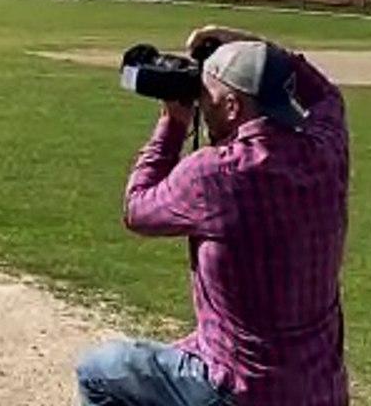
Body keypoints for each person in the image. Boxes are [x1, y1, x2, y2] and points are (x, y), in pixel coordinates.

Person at [76, 25, 350, 406]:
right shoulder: (326, 149)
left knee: (99, 371)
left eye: (207, 94)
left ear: (233, 106)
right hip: (322, 389)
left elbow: (137, 209)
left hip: (241, 390)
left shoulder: (214, 174)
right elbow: (323, 93)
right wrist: (254, 50)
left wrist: (173, 125)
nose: (202, 102)